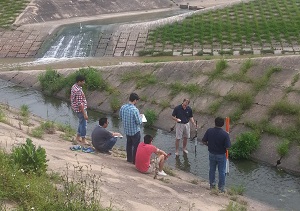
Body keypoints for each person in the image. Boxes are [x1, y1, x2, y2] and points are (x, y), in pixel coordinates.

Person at [202, 117, 231, 193]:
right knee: (222, 171)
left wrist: (209, 145)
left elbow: (204, 141)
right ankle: (221, 188)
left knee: (212, 170)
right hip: (221, 154)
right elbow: (228, 147)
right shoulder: (225, 134)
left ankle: (212, 185)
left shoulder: (209, 131)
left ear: (215, 122)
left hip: (211, 153)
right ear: (223, 124)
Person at [119, 93, 143, 164]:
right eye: (137, 101)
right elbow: (139, 122)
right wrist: (141, 117)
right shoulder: (135, 110)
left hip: (127, 130)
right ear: (135, 100)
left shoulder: (123, 107)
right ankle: (134, 161)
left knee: (128, 144)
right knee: (136, 146)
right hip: (135, 131)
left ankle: (129, 158)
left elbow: (120, 117)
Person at [71, 75, 89, 145]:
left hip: (76, 108)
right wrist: (84, 114)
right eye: (83, 81)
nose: (84, 82)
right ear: (79, 82)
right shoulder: (78, 90)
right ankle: (83, 139)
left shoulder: (74, 86)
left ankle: (78, 137)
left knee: (81, 123)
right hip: (80, 110)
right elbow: (80, 104)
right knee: (84, 125)